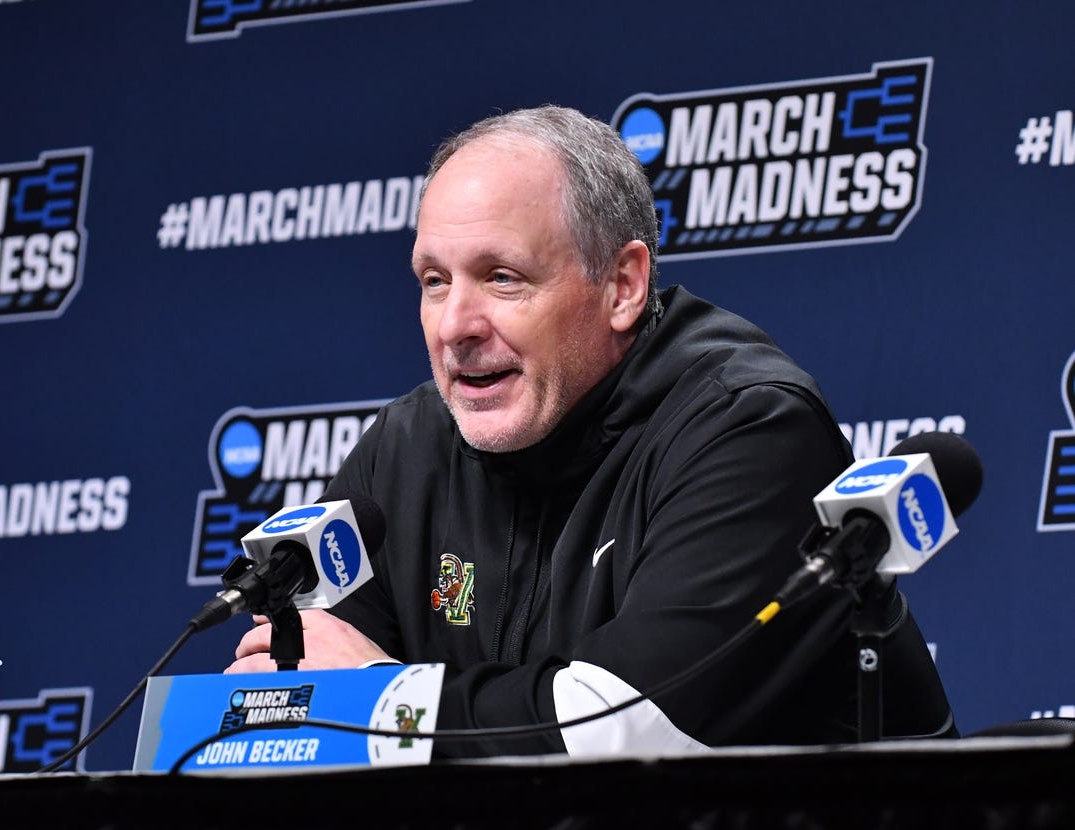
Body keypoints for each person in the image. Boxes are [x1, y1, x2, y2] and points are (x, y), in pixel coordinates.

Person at [225, 104, 958, 758]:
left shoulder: (750, 428)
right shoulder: (408, 449)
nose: (456, 327)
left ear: (622, 287)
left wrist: (385, 696)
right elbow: (291, 702)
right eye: (434, 281)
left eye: (503, 277)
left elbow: (629, 727)